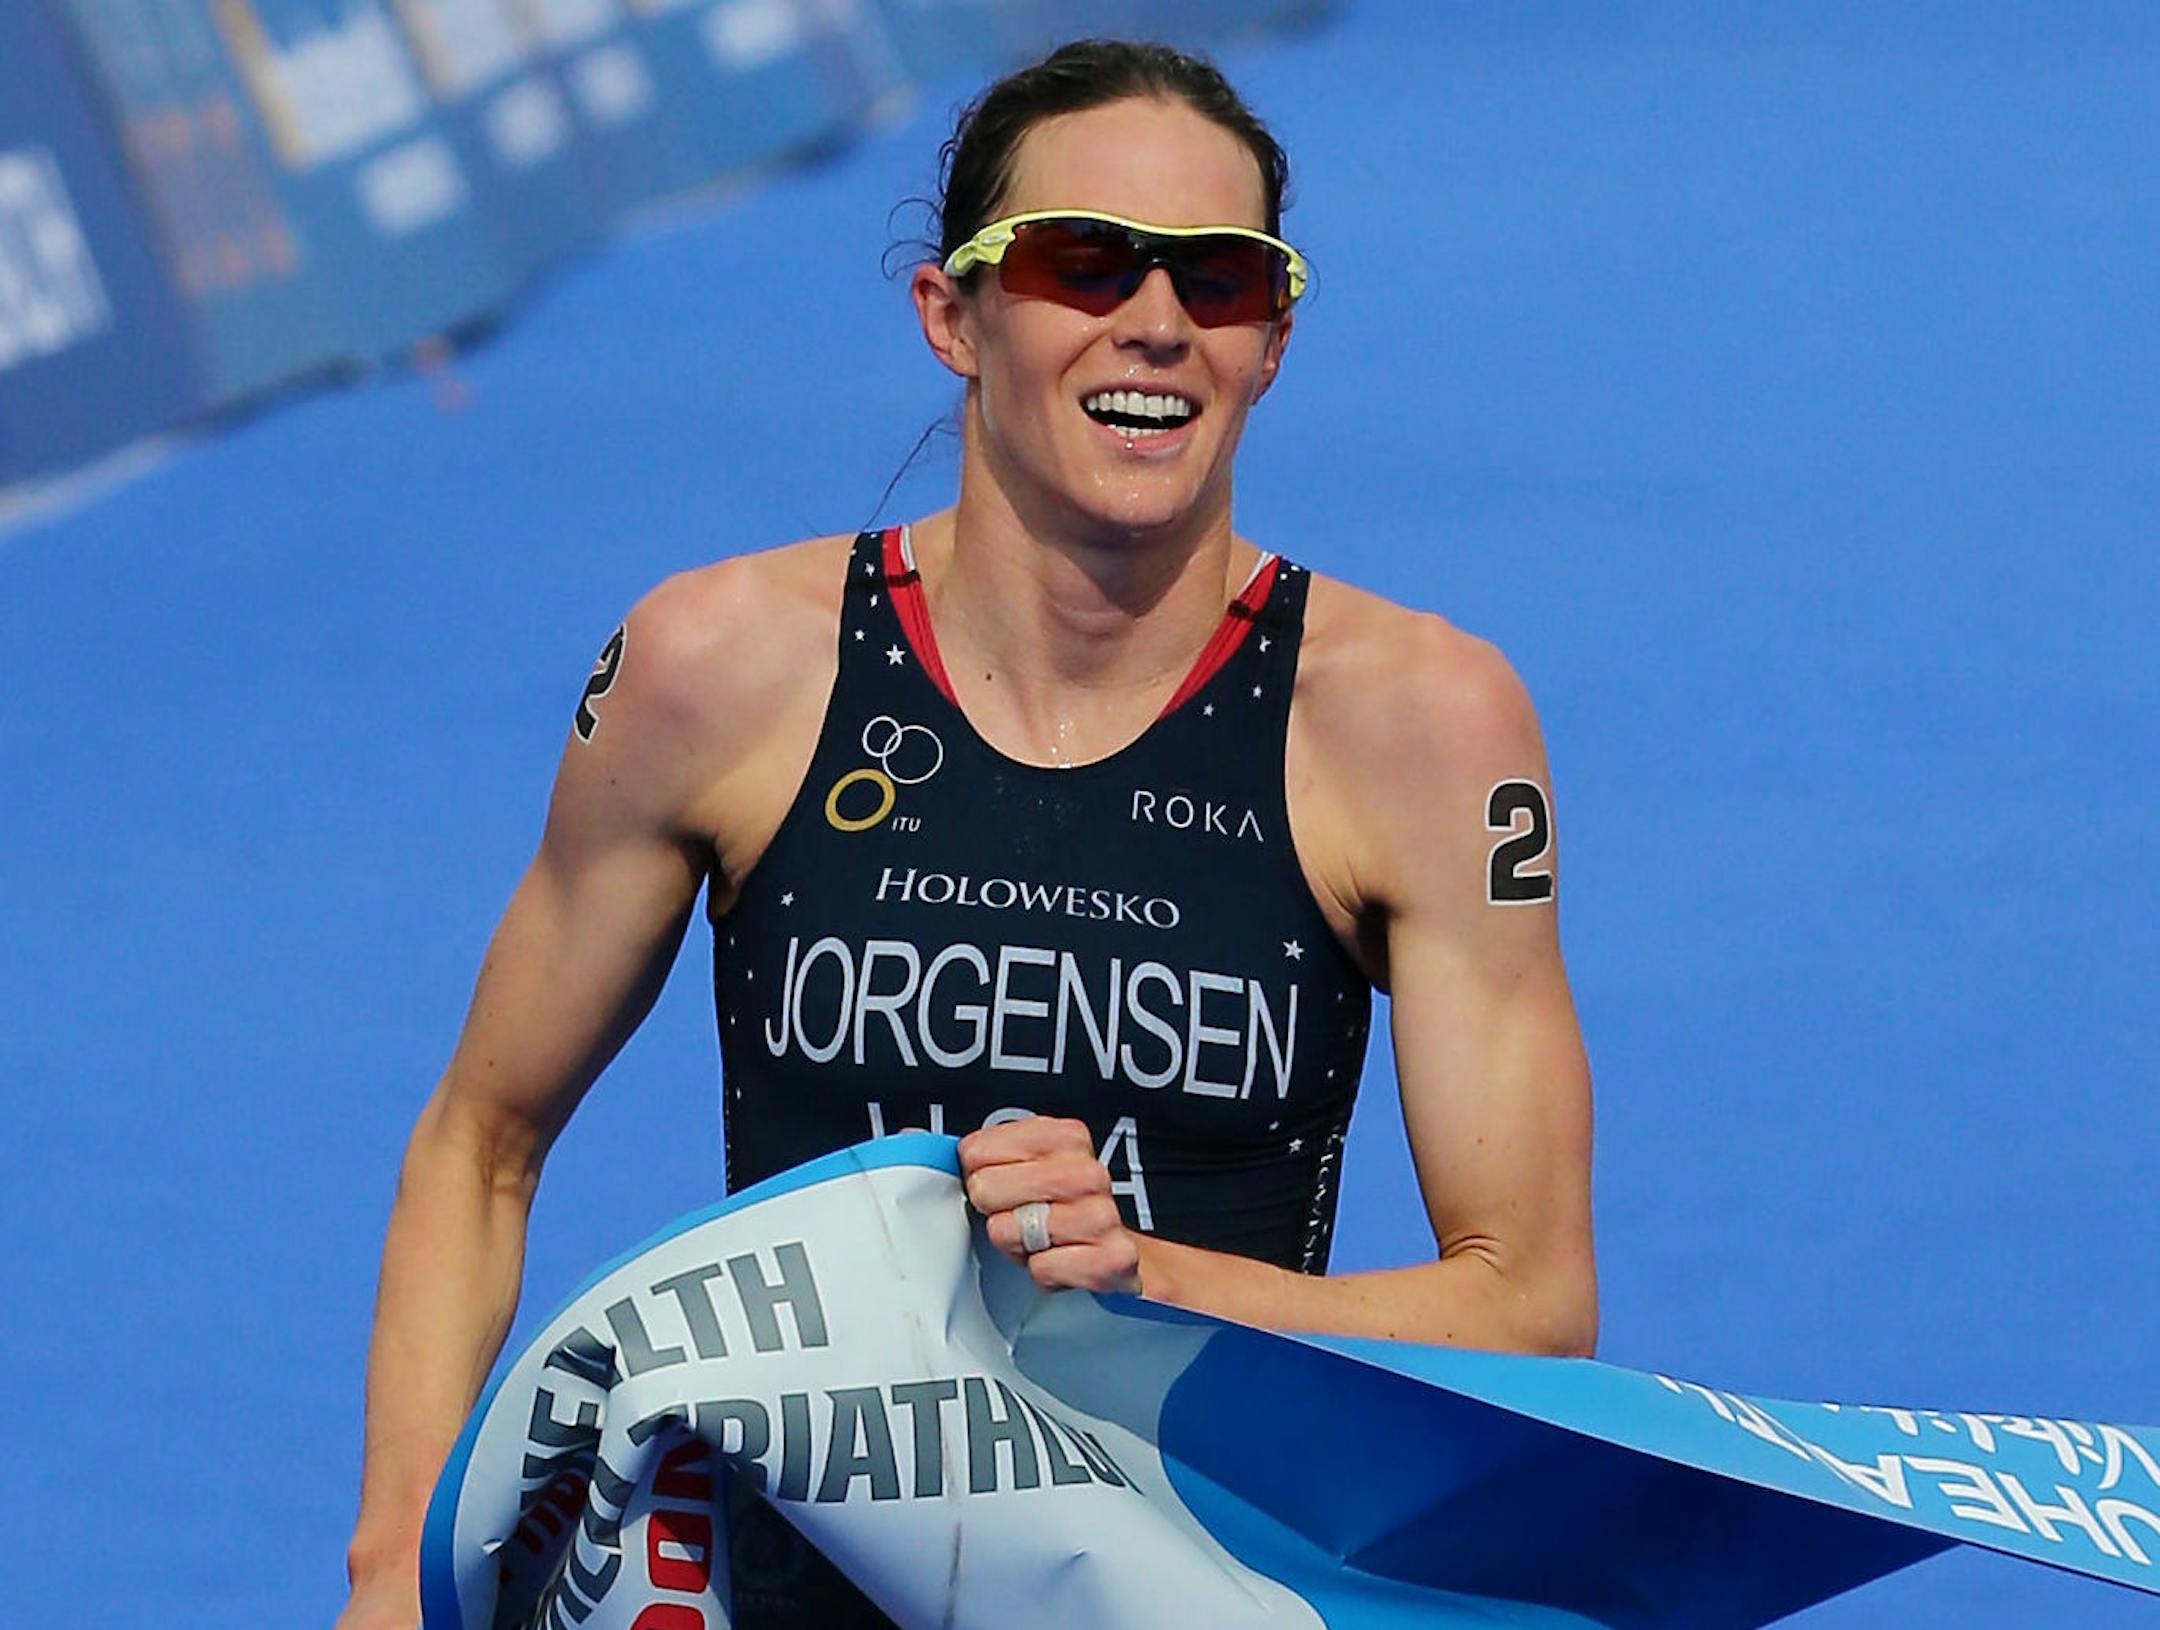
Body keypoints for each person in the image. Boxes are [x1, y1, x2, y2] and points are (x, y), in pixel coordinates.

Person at [335, 37, 1596, 1630]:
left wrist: (1158, 1285)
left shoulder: (1421, 723)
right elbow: (479, 1141)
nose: (1154, 321)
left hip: (1195, 1584)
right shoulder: (721, 669)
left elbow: (1533, 1306)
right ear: (953, 314)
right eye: (1082, 263)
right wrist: (396, 1563)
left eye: (1219, 278)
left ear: (1273, 337)